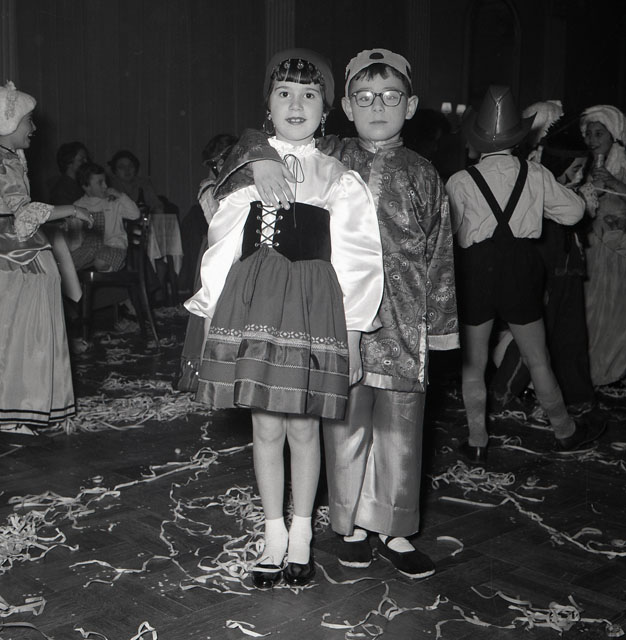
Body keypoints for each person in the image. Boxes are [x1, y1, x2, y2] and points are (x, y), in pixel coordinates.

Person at [219, 48, 459, 579]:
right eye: (364, 97)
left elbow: (440, 253)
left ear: (410, 105)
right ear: (345, 107)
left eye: (390, 97)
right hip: (325, 316)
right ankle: (347, 524)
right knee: (340, 423)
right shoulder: (333, 152)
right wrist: (258, 158)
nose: (377, 107)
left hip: (402, 320)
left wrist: (441, 329)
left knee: (400, 427)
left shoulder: (424, 174)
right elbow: (273, 129)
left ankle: (394, 529)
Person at [185, 49, 384, 589]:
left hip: (312, 309)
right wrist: (210, 311)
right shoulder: (249, 169)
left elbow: (359, 259)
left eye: (309, 95)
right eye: (284, 93)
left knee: (304, 427)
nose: (297, 104)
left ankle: (301, 535)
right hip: (256, 307)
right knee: (266, 427)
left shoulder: (338, 178)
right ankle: (273, 533)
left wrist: (354, 334)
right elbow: (223, 242)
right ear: (267, 107)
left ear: (326, 110)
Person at [445, 85, 605, 463]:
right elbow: (574, 213)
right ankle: (565, 431)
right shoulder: (535, 174)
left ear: (477, 140)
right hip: (521, 270)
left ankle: (477, 440)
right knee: (537, 358)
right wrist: (537, 210)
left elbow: (449, 235)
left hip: (476, 273)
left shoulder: (460, 181)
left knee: (474, 364)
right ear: (518, 138)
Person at [488, 101, 596, 416]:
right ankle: (502, 394)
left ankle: (576, 395)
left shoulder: (569, 193)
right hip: (547, 276)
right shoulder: (541, 192)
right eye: (574, 169)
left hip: (569, 273)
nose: (580, 176)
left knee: (571, 336)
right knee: (533, 341)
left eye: (582, 169)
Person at [0, 81, 93, 446]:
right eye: (28, 120)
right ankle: (14, 409)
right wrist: (71, 209)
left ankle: (21, 404)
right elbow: (22, 213)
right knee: (21, 333)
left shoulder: (10, 158)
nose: (34, 128)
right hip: (12, 256)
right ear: (8, 123)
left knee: (20, 332)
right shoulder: (3, 162)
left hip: (17, 251)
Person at [562, 106, 626, 388]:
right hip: (590, 249)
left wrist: (615, 184)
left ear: (613, 135)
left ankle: (612, 373)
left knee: (615, 313)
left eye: (599, 133)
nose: (592, 140)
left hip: (618, 253)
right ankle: (587, 372)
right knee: (588, 311)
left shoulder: (623, 165)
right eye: (588, 134)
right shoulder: (583, 166)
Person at [177, 133, 238, 392]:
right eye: (218, 163)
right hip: (220, 251)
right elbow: (218, 222)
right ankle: (207, 374)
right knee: (213, 310)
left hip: (240, 252)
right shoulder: (210, 187)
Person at [67, 162, 140, 272]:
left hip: (112, 246)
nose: (105, 186)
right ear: (86, 186)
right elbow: (74, 239)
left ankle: (110, 268)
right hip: (88, 249)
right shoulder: (77, 206)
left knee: (101, 261)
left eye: (105, 181)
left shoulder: (112, 202)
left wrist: (120, 196)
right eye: (100, 183)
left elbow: (135, 214)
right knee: (67, 263)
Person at [107, 149, 163, 215]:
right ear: (115, 171)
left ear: (135, 169)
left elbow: (157, 206)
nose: (127, 170)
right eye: (122, 167)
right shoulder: (109, 185)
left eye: (130, 166)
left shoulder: (144, 184)